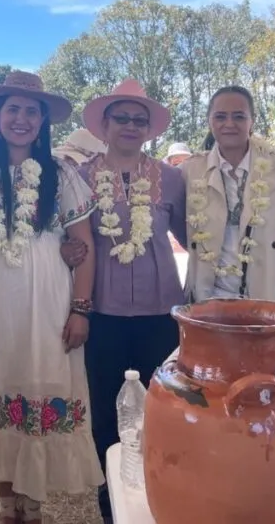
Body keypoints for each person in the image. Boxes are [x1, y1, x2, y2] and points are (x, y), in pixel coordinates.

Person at [0, 71, 103, 524]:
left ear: (43, 122)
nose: (22, 118)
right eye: (12, 108)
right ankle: (5, 506)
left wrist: (80, 309)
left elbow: (83, 246)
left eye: (32, 111)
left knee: (41, 383)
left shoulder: (63, 174)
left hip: (48, 301)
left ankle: (33, 507)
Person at [75, 79, 186, 523]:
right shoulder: (80, 178)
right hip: (101, 313)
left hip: (160, 314)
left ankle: (161, 497)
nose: (130, 126)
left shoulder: (172, 178)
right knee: (106, 410)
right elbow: (68, 239)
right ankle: (113, 506)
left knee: (162, 407)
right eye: (121, 118)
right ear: (104, 125)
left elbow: (193, 239)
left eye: (139, 120)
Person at [181, 86, 275, 304]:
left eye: (239, 116)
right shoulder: (190, 171)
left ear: (251, 120)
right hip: (211, 299)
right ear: (209, 121)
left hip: (270, 294)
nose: (229, 124)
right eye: (220, 116)